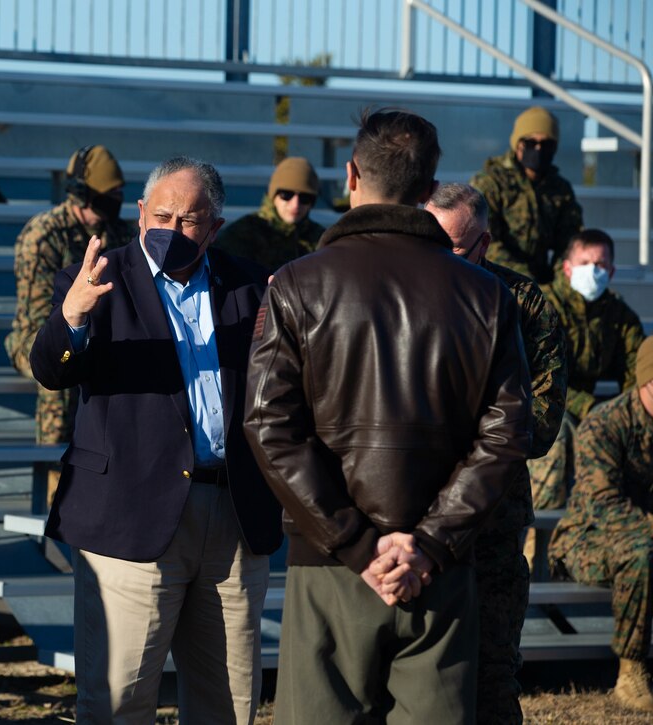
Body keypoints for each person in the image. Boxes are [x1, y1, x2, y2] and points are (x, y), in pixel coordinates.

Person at [246, 110, 532, 723]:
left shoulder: (297, 285)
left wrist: (354, 542)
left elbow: (269, 427)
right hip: (440, 569)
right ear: (430, 190)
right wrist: (427, 544)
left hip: (330, 567)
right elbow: (507, 435)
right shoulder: (486, 296)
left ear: (351, 175)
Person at [29, 156, 283, 723]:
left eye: (189, 220)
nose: (172, 229)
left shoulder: (251, 284)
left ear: (214, 227)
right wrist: (72, 316)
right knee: (120, 700)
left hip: (234, 516)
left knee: (231, 703)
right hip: (130, 515)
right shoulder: (96, 277)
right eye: (161, 214)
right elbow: (51, 368)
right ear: (140, 213)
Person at [427, 183, 568, 724]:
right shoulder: (400, 289)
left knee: (491, 673)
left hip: (491, 515)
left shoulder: (525, 305)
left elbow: (540, 425)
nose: (437, 260)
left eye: (454, 248)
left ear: (484, 242)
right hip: (411, 511)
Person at [4, 145, 132, 504]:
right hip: (38, 338)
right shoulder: (45, 235)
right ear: (84, 193)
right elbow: (36, 320)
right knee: (60, 369)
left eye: (120, 194)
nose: (117, 201)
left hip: (99, 337)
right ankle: (55, 480)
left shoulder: (119, 233)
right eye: (110, 195)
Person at [548, 335, 653, 713]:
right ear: (646, 382)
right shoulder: (605, 424)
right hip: (585, 540)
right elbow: (602, 505)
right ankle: (631, 671)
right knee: (641, 553)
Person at [529, 228, 645, 510]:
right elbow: (538, 375)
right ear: (567, 268)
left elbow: (636, 374)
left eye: (601, 264)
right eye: (585, 263)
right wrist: (590, 407)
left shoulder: (619, 316)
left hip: (590, 409)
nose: (593, 271)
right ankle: (536, 543)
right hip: (545, 402)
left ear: (613, 271)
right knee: (555, 442)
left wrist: (625, 417)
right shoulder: (545, 306)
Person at [471, 105, 583, 283]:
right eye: (531, 143)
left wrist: (557, 287)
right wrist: (525, 281)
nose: (538, 149)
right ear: (518, 145)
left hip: (542, 283)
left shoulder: (560, 189)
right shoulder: (491, 182)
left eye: (546, 144)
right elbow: (485, 239)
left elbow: (569, 243)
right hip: (495, 279)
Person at [217, 156, 326, 272]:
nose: (295, 204)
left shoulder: (321, 240)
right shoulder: (243, 233)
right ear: (273, 196)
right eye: (286, 195)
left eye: (305, 198)